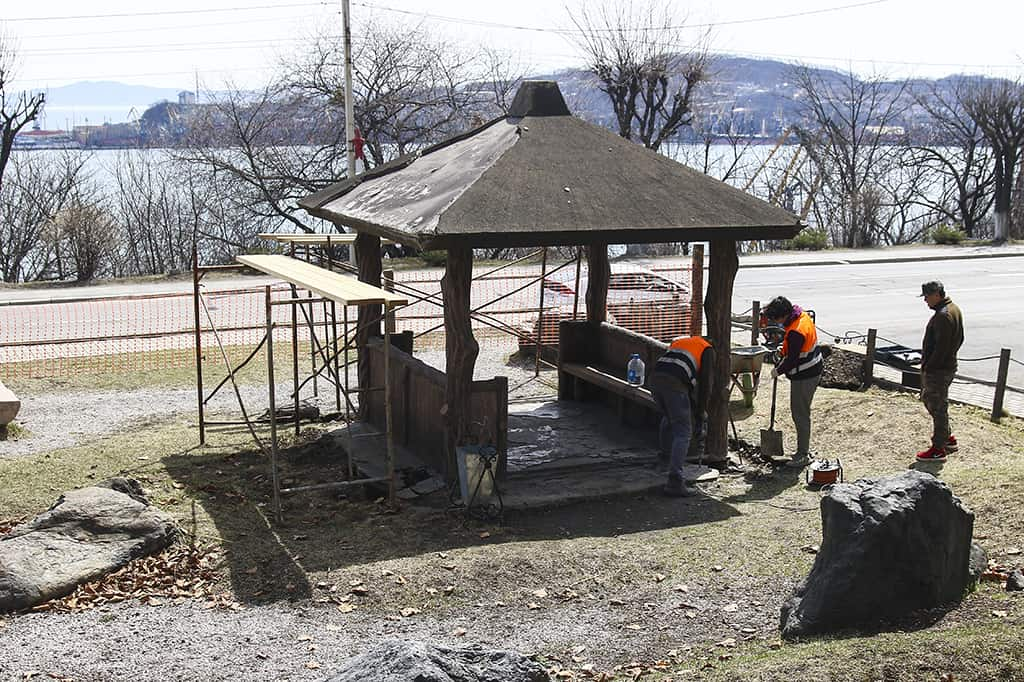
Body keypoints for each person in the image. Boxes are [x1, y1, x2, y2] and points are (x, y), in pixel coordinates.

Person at [649, 336, 715, 497]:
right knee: (683, 432)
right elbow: (706, 384)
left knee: (669, 418)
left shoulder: (681, 342)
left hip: (655, 379)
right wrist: (701, 412)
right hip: (674, 383)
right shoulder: (707, 350)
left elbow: (682, 376)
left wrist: (694, 407)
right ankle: (675, 481)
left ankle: (664, 460)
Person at [764, 296, 823, 468]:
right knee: (800, 413)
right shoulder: (800, 315)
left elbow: (793, 360)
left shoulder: (797, 330)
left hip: (806, 374)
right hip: (811, 367)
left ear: (783, 315)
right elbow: (790, 346)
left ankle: (802, 454)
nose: (776, 323)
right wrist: (781, 353)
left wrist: (778, 370)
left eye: (776, 319)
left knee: (800, 414)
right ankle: (802, 450)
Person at [916, 281, 965, 462]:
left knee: (937, 407)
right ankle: (947, 437)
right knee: (933, 402)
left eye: (927, 296)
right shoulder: (953, 309)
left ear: (937, 294)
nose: (926, 301)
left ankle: (938, 448)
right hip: (946, 366)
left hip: (939, 370)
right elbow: (959, 339)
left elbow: (941, 347)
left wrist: (930, 366)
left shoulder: (943, 316)